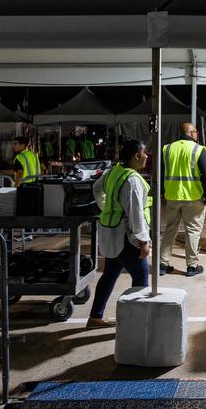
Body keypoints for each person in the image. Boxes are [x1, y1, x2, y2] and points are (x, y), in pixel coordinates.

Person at [87, 139, 151, 328]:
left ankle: (95, 317)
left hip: (111, 234)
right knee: (141, 278)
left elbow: (96, 188)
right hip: (125, 238)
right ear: (136, 156)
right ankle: (136, 324)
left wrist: (106, 206)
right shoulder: (132, 180)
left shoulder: (114, 171)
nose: (147, 156)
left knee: (109, 274)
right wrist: (143, 240)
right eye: (145, 153)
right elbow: (136, 213)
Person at [159, 122, 206, 277]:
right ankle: (192, 266)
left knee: (170, 229)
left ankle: (163, 264)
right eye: (196, 132)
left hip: (172, 195)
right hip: (193, 196)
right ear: (191, 133)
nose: (197, 135)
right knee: (193, 231)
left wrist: (163, 191)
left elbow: (161, 172)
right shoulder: (198, 149)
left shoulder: (167, 148)